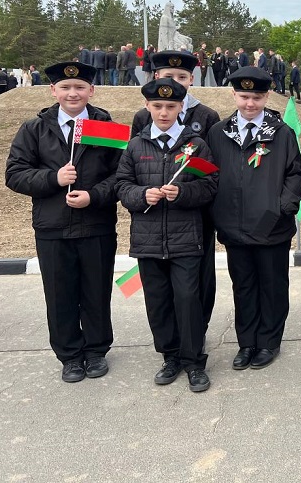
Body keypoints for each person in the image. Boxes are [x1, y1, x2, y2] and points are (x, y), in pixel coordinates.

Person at [5, 62, 121, 383]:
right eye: (66, 87)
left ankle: (96, 351)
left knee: (96, 292)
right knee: (60, 296)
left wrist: (93, 196)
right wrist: (53, 178)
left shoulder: (105, 127)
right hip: (52, 227)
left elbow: (121, 175)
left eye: (80, 87)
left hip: (96, 225)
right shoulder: (34, 129)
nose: (73, 93)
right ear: (53, 90)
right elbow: (14, 174)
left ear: (91, 91)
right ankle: (70, 355)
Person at [116, 78, 218, 393]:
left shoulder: (195, 145)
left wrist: (183, 193)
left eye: (170, 106)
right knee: (158, 302)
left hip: (186, 239)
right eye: (157, 106)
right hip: (147, 240)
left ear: (180, 108)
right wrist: (141, 194)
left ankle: (194, 362)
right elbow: (122, 185)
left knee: (187, 300)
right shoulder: (136, 145)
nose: (163, 112)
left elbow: (210, 185)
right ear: (147, 106)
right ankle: (170, 357)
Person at [207, 67, 301, 371]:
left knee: (272, 287)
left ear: (266, 96)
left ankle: (268, 342)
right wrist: (219, 212)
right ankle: (246, 342)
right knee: (244, 287)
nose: (250, 103)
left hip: (271, 227)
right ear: (234, 95)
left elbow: (295, 174)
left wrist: (281, 208)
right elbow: (209, 175)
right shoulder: (218, 132)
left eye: (257, 97)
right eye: (244, 96)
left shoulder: (281, 133)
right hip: (234, 227)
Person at [130, 51, 221, 335]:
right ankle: (170, 336)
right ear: (156, 77)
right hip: (155, 214)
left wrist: (188, 192)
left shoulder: (206, 116)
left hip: (195, 212)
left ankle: (197, 331)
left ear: (191, 79)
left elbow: (211, 168)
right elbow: (133, 162)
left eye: (182, 77)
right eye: (168, 76)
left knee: (197, 279)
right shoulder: (143, 116)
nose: (175, 81)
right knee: (160, 284)